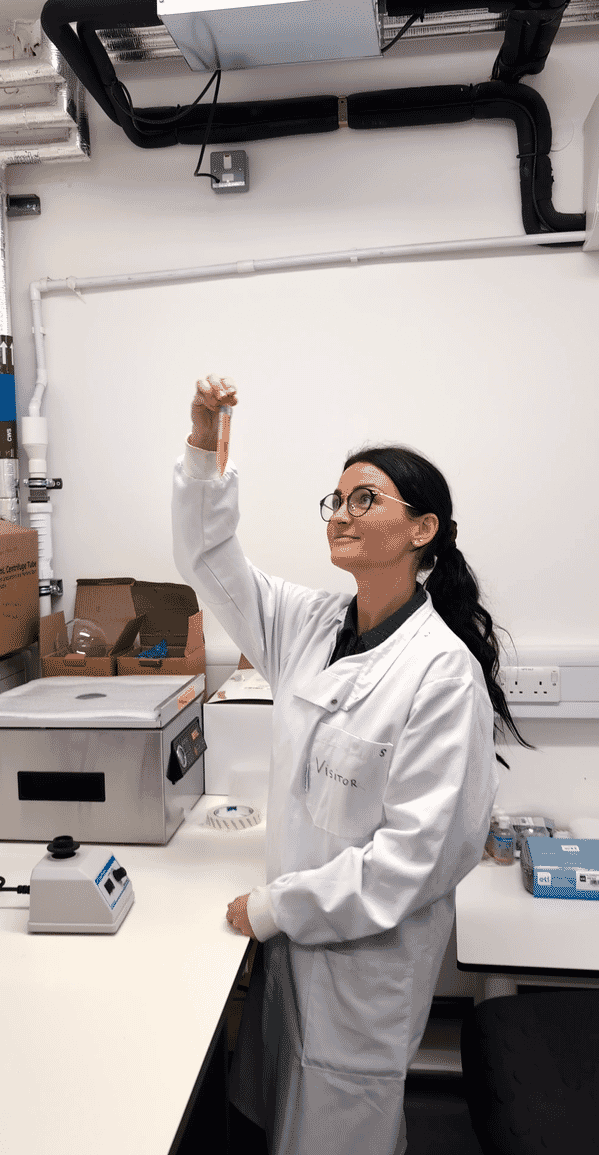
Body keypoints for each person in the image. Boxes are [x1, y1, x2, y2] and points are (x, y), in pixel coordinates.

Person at [171, 373, 535, 1155]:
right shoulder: (306, 622)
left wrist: (276, 907)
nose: (340, 513)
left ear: (423, 529)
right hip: (294, 946)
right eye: (335, 500)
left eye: (364, 499)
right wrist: (204, 448)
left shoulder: (441, 674)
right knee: (277, 1114)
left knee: (340, 1131)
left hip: (362, 964)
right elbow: (208, 557)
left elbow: (416, 858)